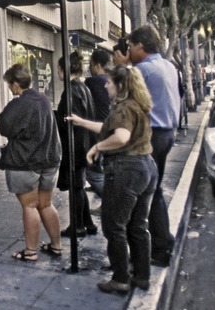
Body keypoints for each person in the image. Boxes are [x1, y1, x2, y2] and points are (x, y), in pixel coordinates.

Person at [67, 64, 158, 294]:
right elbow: (109, 129)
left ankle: (120, 279)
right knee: (138, 225)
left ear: (119, 86)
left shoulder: (122, 107)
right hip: (146, 166)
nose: (106, 85)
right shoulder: (137, 105)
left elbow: (120, 136)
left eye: (109, 82)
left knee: (113, 226)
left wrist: (97, 146)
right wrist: (81, 121)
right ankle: (141, 275)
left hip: (126, 168)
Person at [113, 25, 180, 267]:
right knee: (155, 189)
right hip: (167, 132)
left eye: (130, 46)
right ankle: (163, 243)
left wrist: (123, 67)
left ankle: (151, 250)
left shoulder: (143, 69)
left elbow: (121, 99)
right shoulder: (168, 66)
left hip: (151, 136)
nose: (128, 50)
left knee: (138, 194)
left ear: (140, 46)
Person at [0, 64, 63, 261]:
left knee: (30, 206)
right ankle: (56, 246)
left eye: (10, 85)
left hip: (25, 162)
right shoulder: (43, 99)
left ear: (16, 84)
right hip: (49, 160)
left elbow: (5, 128)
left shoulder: (18, 104)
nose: (10, 89)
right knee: (46, 204)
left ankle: (31, 251)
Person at [55, 52, 97, 237]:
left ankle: (78, 226)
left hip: (75, 145)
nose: (57, 73)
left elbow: (68, 121)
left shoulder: (70, 90)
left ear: (64, 69)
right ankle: (87, 223)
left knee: (76, 186)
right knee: (78, 184)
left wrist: (56, 116)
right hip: (84, 143)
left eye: (58, 69)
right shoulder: (83, 88)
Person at [85, 49, 111, 203]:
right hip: (110, 128)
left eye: (91, 64)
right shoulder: (110, 80)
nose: (90, 67)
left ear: (97, 65)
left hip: (96, 130)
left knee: (93, 171)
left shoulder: (92, 82)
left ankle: (109, 203)